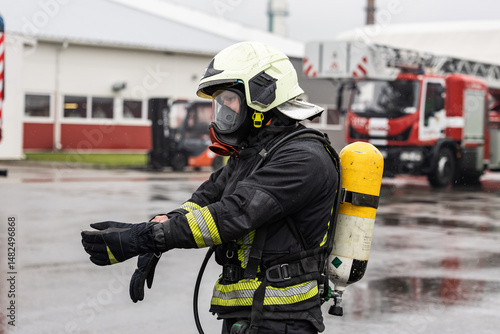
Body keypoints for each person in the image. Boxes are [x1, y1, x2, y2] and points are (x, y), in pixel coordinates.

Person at [81, 41, 340, 334]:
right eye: (220, 101)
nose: (223, 109)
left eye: (229, 99)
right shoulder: (253, 154)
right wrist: (154, 228)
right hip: (251, 315)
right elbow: (205, 200)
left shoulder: (303, 158)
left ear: (262, 97)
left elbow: (233, 214)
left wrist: (149, 238)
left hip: (282, 320)